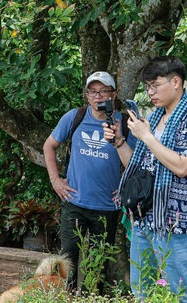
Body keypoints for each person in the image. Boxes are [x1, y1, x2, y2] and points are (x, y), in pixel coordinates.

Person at [43, 71, 136, 293]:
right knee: (68, 261)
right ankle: (66, 298)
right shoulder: (75, 117)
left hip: (106, 206)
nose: (98, 96)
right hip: (74, 202)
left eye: (103, 91)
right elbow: (49, 145)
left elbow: (137, 162)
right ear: (87, 95)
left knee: (99, 264)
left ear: (113, 95)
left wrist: (125, 188)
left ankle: (90, 297)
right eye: (93, 92)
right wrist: (56, 181)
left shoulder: (123, 123)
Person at [104, 56, 187, 302]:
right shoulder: (153, 117)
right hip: (144, 219)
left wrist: (147, 137)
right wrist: (119, 142)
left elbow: (182, 167)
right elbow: (140, 170)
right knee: (142, 291)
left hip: (175, 224)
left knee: (180, 292)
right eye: (147, 86)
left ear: (175, 82)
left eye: (155, 85)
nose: (150, 92)